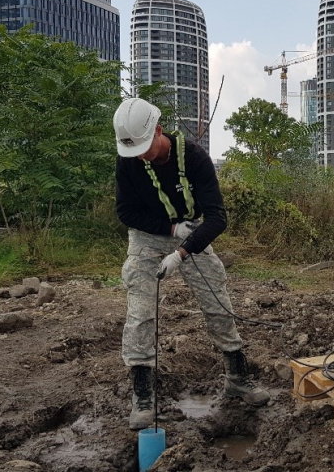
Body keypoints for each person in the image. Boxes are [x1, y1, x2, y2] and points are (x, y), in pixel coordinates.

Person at [113, 98, 270, 430]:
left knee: (218, 304)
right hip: (147, 238)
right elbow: (125, 212)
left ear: (157, 130)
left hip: (193, 237)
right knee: (140, 313)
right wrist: (169, 229)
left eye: (144, 146)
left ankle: (237, 378)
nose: (141, 155)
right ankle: (143, 395)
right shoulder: (127, 161)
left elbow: (218, 218)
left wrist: (181, 250)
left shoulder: (194, 157)